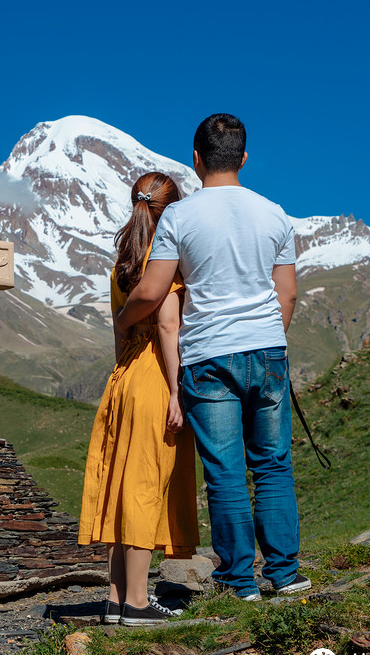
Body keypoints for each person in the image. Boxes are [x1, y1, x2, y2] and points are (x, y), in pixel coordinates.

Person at [114, 113, 306, 601]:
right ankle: (285, 574)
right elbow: (287, 296)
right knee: (273, 465)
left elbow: (154, 291)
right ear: (243, 158)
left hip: (209, 356)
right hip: (267, 350)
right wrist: (266, 338)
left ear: (196, 159)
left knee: (224, 472)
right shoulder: (275, 213)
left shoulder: (181, 216)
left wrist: (122, 319)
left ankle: (240, 581)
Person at [79, 172, 200, 627]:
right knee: (145, 483)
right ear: (171, 209)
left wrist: (120, 373)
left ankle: (113, 599)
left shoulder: (121, 263)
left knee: (120, 481)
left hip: (124, 374)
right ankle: (137, 602)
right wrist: (175, 390)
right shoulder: (161, 258)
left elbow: (119, 328)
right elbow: (169, 326)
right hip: (153, 374)